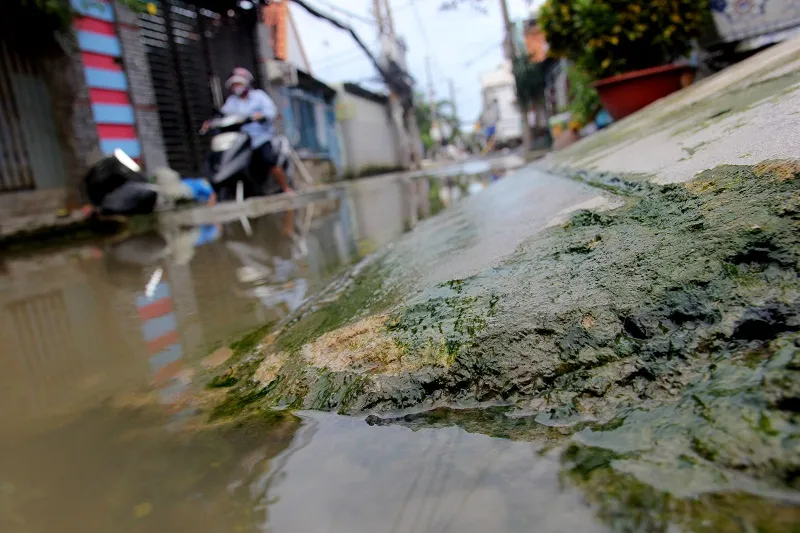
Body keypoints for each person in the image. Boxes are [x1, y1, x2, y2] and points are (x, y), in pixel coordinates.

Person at [214, 68, 292, 194]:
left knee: (268, 159)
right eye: (234, 84)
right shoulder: (232, 101)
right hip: (242, 140)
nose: (236, 87)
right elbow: (223, 115)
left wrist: (260, 116)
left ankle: (286, 188)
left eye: (238, 83)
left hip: (261, 138)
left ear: (246, 83)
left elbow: (271, 111)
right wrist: (211, 122)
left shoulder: (258, 96)